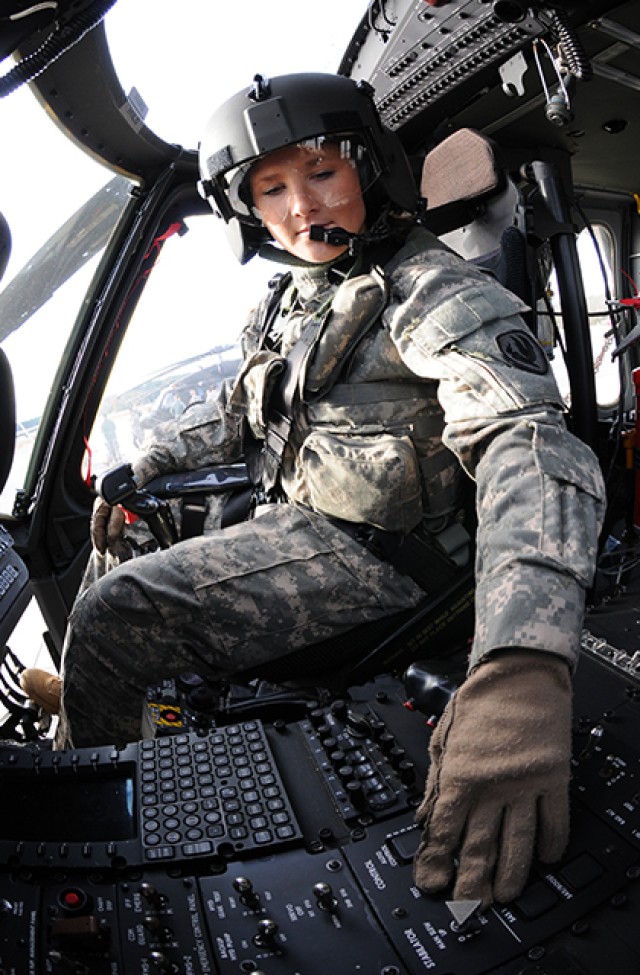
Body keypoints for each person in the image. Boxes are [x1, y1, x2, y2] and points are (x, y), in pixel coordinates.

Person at [21, 73, 605, 909]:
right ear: (247, 212)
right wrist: (141, 467)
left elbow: (533, 445)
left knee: (117, 613)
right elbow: (235, 413)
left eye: (322, 173)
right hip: (301, 515)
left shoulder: (432, 290)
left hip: (389, 555)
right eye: (272, 189)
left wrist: (525, 663)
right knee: (127, 531)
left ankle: (94, 828)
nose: (301, 207)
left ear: (368, 171)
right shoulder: (294, 297)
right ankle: (93, 716)